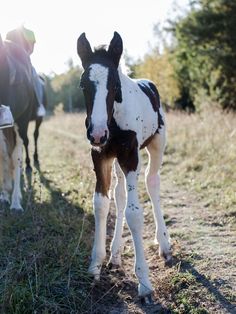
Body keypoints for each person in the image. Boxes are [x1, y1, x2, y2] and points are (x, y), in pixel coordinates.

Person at [0, 26, 46, 129]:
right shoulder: (12, 33)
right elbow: (30, 49)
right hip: (14, 57)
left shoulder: (13, 32)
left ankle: (38, 104)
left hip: (23, 59)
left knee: (34, 76)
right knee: (34, 76)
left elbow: (30, 50)